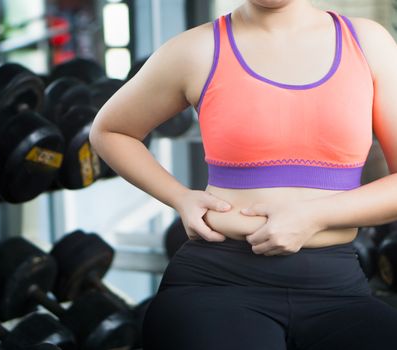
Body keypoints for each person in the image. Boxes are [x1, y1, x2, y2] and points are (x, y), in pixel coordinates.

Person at [89, 0, 397, 349]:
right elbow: (110, 131)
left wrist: (314, 214)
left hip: (339, 286)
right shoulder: (197, 48)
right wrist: (179, 197)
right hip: (218, 283)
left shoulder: (368, 43)